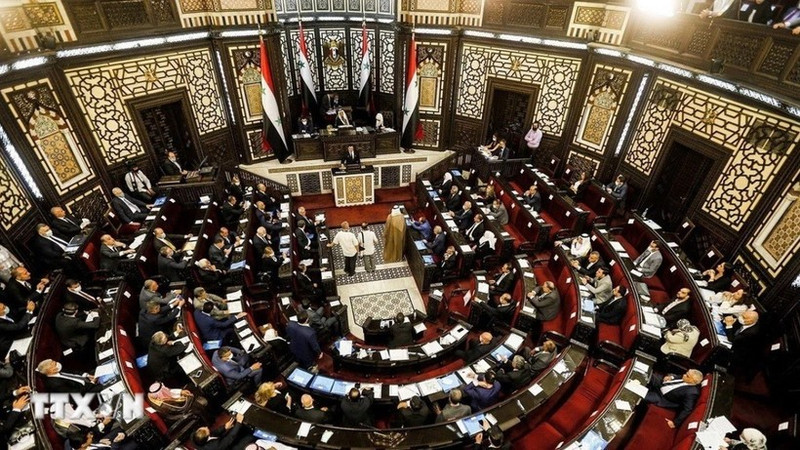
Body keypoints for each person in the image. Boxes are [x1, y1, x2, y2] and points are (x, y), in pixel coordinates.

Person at [36, 359, 103, 393]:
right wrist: (92, 383)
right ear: (50, 371)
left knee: (101, 367)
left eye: (55, 362)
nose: (57, 364)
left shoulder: (59, 369)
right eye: (55, 365)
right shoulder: (55, 385)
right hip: (85, 390)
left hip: (85, 379)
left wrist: (87, 375)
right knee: (105, 385)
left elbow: (73, 372)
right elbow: (77, 392)